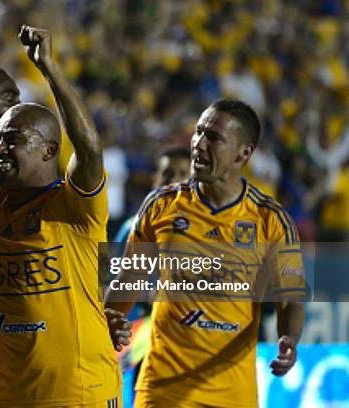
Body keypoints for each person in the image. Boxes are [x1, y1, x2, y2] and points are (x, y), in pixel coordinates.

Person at [106, 98, 306, 408]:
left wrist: (289, 338)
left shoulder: (270, 219)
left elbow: (290, 298)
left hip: (231, 394)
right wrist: (110, 315)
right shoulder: (161, 205)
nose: (198, 143)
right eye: (198, 132)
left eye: (213, 137)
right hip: (162, 389)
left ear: (244, 153)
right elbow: (131, 275)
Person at [0, 25, 122, 407]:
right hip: (12, 395)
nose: (1, 148)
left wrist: (49, 68)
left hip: (79, 392)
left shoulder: (74, 207)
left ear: (49, 150)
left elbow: (89, 151)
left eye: (14, 139)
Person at [114, 146, 191, 244]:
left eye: (183, 174)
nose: (174, 180)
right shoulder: (131, 228)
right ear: (154, 178)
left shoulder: (203, 227)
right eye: (167, 173)